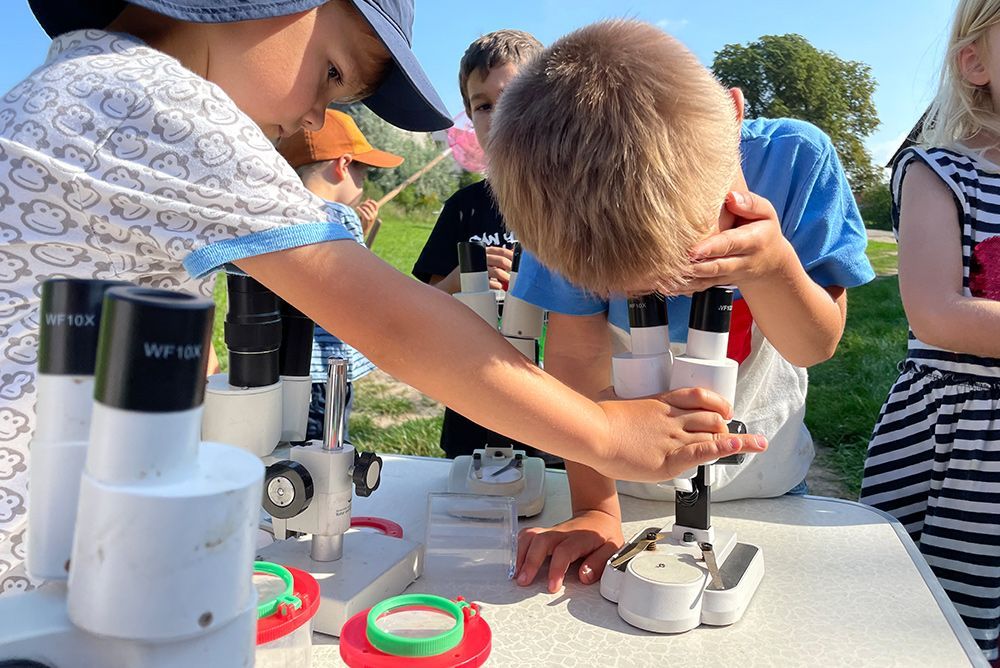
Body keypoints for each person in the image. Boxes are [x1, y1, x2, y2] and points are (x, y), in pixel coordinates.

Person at [0, 1, 766, 594]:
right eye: (333, 73)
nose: (315, 116)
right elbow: (397, 324)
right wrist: (601, 432)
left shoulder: (84, 81)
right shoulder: (158, 103)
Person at [485, 20, 873, 592]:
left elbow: (813, 345)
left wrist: (773, 268)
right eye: (644, 287)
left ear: (735, 117)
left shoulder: (797, 160)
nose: (680, 289)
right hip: (626, 491)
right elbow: (574, 360)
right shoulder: (562, 203)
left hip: (767, 486)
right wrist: (597, 508)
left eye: (694, 256)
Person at [859, 0, 1000, 661]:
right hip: (964, 444)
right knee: (937, 630)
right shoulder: (941, 171)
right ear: (975, 62)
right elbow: (937, 311)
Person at [413, 29, 561, 463]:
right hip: (474, 411)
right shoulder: (464, 208)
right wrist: (460, 282)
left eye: (515, 99)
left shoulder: (578, 208)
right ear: (469, 116)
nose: (499, 117)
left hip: (560, 415)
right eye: (484, 106)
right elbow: (419, 313)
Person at [277, 108, 402, 442]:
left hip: (281, 369)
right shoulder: (340, 216)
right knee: (324, 460)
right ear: (343, 165)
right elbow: (359, 292)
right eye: (363, 173)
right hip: (327, 374)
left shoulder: (279, 213)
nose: (363, 184)